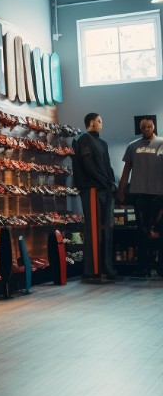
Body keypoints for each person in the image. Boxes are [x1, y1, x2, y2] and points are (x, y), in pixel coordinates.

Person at [72, 112, 118, 281]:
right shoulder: (84, 140)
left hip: (105, 189)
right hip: (91, 189)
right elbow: (88, 165)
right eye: (99, 121)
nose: (102, 124)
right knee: (93, 230)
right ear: (91, 122)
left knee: (107, 229)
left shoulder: (103, 143)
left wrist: (111, 183)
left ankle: (106, 268)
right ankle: (93, 270)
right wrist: (105, 182)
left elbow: (108, 166)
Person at [118, 118, 163, 277]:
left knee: (159, 231)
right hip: (139, 193)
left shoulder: (162, 143)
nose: (146, 129)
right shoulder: (133, 146)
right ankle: (143, 267)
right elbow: (126, 170)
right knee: (142, 231)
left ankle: (160, 268)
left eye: (149, 126)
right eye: (143, 127)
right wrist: (121, 191)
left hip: (159, 194)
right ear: (140, 128)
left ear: (154, 127)